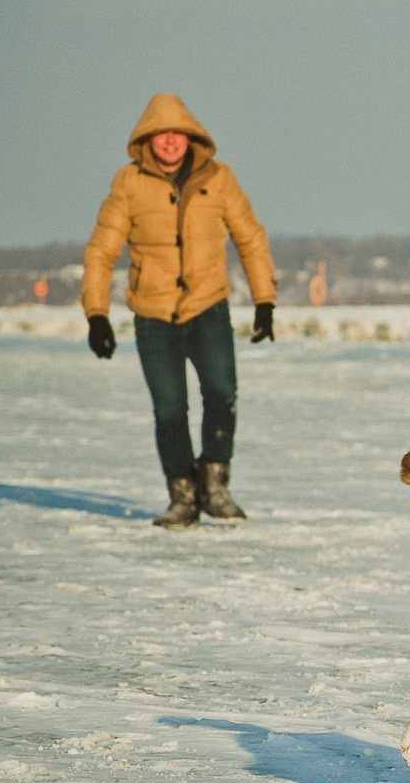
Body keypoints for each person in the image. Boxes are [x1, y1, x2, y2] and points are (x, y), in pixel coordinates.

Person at [83, 93, 276, 529]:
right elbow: (101, 251)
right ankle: (183, 497)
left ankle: (215, 486)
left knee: (222, 395)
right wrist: (96, 313)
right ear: (146, 141)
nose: (169, 142)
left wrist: (265, 300)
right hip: (154, 315)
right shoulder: (129, 183)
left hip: (208, 307)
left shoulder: (220, 179)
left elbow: (250, 237)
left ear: (191, 139)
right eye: (160, 135)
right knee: (169, 410)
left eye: (177, 134)